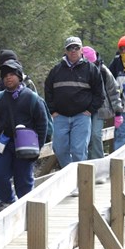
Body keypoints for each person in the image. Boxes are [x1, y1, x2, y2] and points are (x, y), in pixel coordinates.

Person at [0, 59, 47, 212]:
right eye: (5, 75)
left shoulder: (31, 98)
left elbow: (42, 123)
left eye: (12, 74)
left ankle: (28, 212)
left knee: (23, 182)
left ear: (19, 76)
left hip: (25, 145)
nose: (8, 77)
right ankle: (8, 202)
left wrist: (38, 147)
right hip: (4, 144)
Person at [44, 37, 104, 168]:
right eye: (70, 48)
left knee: (79, 150)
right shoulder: (56, 70)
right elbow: (48, 91)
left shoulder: (91, 69)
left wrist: (90, 110)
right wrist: (52, 111)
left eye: (77, 48)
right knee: (59, 149)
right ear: (65, 51)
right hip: (60, 117)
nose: (73, 51)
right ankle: (69, 174)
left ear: (82, 50)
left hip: (81, 117)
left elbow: (100, 93)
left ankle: (79, 182)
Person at [81, 46, 123, 160]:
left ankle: (99, 165)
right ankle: (86, 165)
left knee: (95, 135)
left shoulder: (103, 71)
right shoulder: (78, 72)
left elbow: (114, 91)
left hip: (100, 108)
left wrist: (118, 113)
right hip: (82, 109)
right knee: (85, 137)